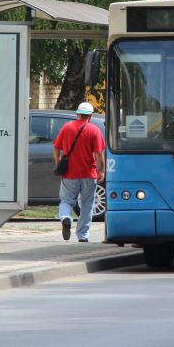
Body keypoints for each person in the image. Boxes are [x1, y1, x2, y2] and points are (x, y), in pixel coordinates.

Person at [53, 102, 106, 243]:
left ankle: (66, 218)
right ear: (90, 116)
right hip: (89, 173)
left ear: (77, 114)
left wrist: (59, 164)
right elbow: (99, 153)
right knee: (87, 205)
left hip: (69, 173)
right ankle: (83, 236)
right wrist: (102, 170)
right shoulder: (94, 130)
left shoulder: (66, 127)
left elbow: (56, 147)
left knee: (66, 201)